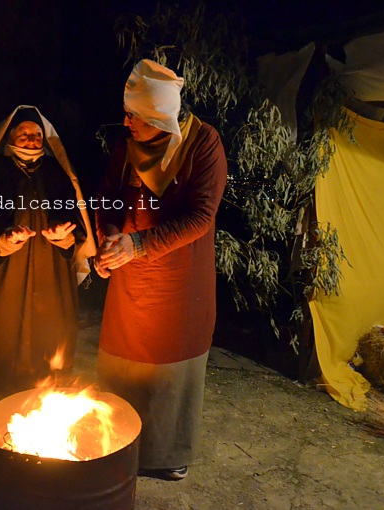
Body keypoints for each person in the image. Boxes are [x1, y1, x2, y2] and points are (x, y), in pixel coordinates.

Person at [94, 59, 227, 480]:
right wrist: (110, 236)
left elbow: (200, 216)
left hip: (178, 280)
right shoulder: (126, 145)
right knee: (125, 360)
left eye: (134, 115)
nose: (126, 121)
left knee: (172, 368)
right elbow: (108, 198)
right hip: (131, 275)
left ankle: (167, 454)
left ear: (159, 119)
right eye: (126, 112)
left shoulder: (203, 144)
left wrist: (139, 244)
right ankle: (114, 442)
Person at [0, 105, 96, 407]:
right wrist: (4, 239)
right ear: (10, 137)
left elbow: (76, 215)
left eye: (36, 134)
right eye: (24, 134)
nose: (31, 139)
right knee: (5, 340)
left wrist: (66, 237)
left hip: (51, 269)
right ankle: (1, 414)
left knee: (52, 338)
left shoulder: (57, 172)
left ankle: (48, 413)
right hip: (6, 274)